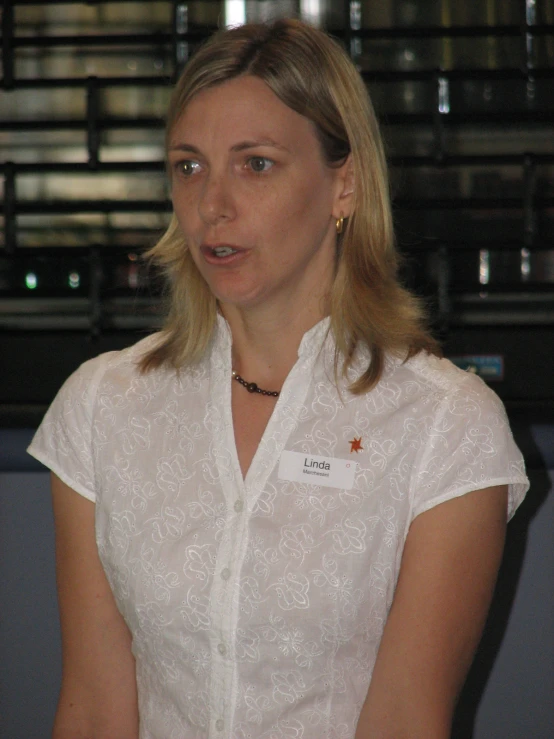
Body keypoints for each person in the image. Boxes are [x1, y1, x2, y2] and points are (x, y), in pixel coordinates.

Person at [28, 18, 529, 739]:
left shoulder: (446, 426)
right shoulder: (102, 406)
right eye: (189, 166)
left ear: (345, 186)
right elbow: (94, 710)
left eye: (255, 164)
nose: (212, 205)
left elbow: (404, 719)